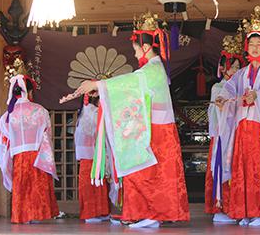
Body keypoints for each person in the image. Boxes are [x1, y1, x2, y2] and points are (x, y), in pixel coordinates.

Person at [68, 12, 190, 228]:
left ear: (145, 48)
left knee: (150, 173)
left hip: (157, 131)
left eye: (135, 50)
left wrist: (98, 85)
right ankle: (144, 212)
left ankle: (153, 213)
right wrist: (102, 92)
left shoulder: (152, 70)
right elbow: (132, 88)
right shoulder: (150, 69)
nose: (135, 55)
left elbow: (132, 82)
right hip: (152, 129)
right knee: (142, 171)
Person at [215, 6, 260, 226]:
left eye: (259, 45)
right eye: (252, 45)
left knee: (258, 168)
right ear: (247, 47)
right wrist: (223, 98)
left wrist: (257, 94)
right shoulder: (241, 73)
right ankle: (246, 211)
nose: (255, 49)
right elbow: (229, 89)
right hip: (242, 127)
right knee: (242, 169)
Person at [0, 60, 59, 224]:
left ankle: (22, 215)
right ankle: (37, 215)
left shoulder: (7, 116)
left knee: (22, 186)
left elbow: (1, 142)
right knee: (36, 186)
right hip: (38, 156)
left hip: (19, 158)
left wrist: (7, 160)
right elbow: (47, 136)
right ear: (29, 92)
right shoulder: (41, 111)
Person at [205, 33, 245, 223]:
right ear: (223, 68)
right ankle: (220, 208)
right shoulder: (217, 87)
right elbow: (214, 116)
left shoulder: (241, 88)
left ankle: (234, 208)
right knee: (221, 169)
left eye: (238, 67)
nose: (236, 71)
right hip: (221, 136)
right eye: (232, 67)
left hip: (235, 135)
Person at [74, 94, 110, 223]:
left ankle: (99, 212)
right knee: (92, 184)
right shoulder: (91, 112)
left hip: (93, 154)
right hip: (92, 154)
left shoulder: (86, 112)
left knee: (98, 183)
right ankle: (91, 213)